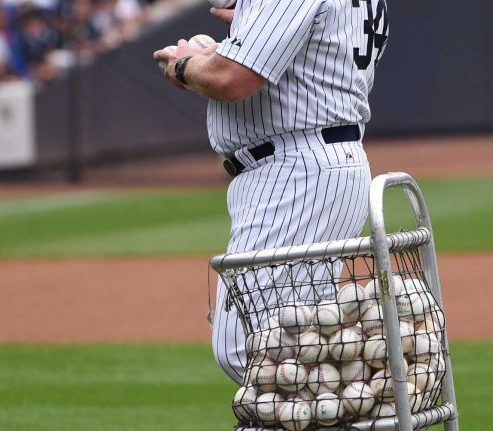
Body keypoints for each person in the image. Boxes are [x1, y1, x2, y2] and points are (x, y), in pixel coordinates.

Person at [154, 0, 389, 384]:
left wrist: (184, 65)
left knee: (250, 346)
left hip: (297, 168)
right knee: (295, 342)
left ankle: (364, 405)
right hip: (313, 162)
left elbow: (231, 78)